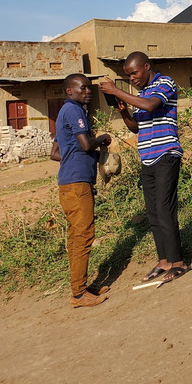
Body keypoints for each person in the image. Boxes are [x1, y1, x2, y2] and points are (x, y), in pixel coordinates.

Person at [98, 52, 189, 283]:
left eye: (134, 73)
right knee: (153, 211)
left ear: (147, 67)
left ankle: (178, 262)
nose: (131, 79)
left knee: (164, 207)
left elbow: (150, 106)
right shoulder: (141, 94)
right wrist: (122, 110)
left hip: (166, 154)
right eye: (128, 76)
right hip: (147, 157)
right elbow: (136, 127)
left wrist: (117, 91)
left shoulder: (164, 83)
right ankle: (164, 261)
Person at [50, 74, 112, 308]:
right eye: (82, 88)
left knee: (76, 237)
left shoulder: (64, 113)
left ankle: (81, 287)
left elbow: (55, 153)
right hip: (76, 185)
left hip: (69, 183)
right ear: (69, 91)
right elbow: (85, 143)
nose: (88, 91)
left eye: (89, 88)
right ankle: (78, 294)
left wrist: (87, 157)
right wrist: (102, 139)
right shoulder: (74, 110)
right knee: (84, 236)